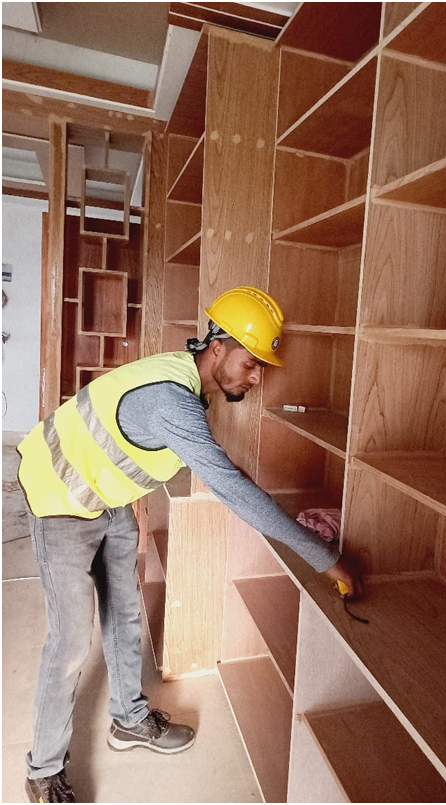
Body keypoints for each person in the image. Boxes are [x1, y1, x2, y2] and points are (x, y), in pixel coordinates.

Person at [17, 286, 361, 803]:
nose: (256, 377)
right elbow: (232, 490)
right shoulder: (172, 400)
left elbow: (221, 470)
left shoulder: (186, 380)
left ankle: (130, 720)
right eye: (251, 363)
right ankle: (43, 771)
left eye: (261, 367)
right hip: (61, 498)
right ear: (217, 349)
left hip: (109, 500)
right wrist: (326, 559)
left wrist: (241, 483)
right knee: (70, 641)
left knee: (125, 615)